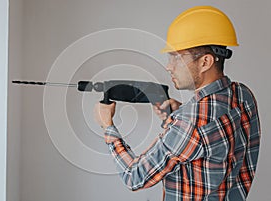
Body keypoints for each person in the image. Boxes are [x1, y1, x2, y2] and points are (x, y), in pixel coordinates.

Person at [94, 5, 261, 201]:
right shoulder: (243, 95)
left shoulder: (189, 123)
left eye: (176, 57)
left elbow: (134, 177)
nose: (168, 66)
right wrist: (179, 114)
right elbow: (223, 153)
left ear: (205, 62)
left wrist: (108, 126)